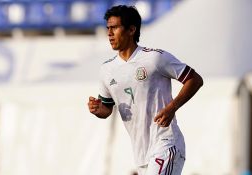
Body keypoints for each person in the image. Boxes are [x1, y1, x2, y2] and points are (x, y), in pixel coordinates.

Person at [87, 5, 203, 175]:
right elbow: (106, 109)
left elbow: (194, 79)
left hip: (166, 142)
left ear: (131, 30)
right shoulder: (107, 70)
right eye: (108, 28)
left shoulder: (155, 58)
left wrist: (172, 107)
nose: (109, 33)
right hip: (141, 154)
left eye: (115, 28)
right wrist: (97, 109)